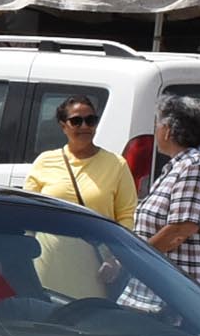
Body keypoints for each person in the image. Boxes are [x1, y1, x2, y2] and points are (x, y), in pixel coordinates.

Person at [22, 93, 138, 298]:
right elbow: (27, 215)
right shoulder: (44, 161)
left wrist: (116, 260)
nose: (85, 126)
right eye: (76, 121)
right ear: (63, 125)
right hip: (48, 261)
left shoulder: (116, 165)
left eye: (90, 120)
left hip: (95, 268)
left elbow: (126, 217)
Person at [133, 94, 200, 299]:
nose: (155, 130)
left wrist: (135, 257)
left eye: (157, 124)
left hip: (180, 299)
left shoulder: (195, 167)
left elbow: (179, 229)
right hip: (165, 292)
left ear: (168, 130)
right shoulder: (180, 166)